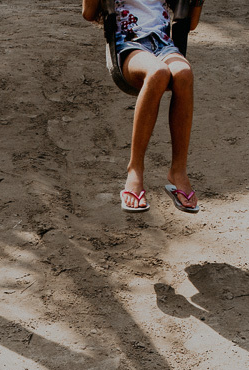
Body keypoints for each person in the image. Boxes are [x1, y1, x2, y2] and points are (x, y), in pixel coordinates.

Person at [83, 0, 199, 214]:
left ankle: (178, 171)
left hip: (163, 43)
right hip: (128, 44)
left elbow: (190, 23)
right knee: (158, 73)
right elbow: (88, 13)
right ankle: (135, 170)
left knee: (184, 74)